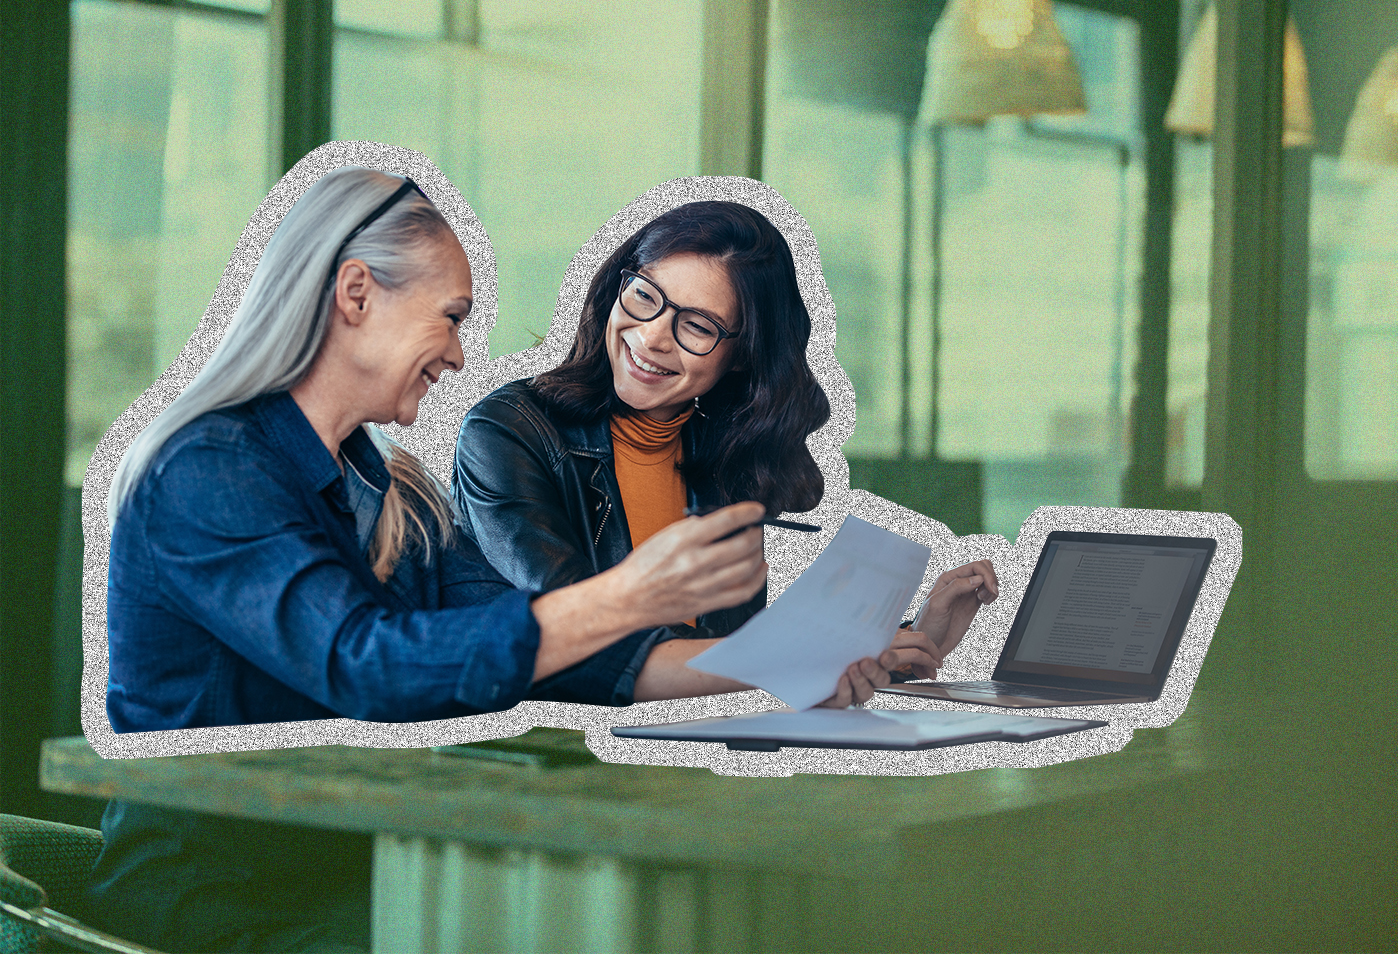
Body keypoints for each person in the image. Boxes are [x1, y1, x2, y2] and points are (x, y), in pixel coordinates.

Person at [90, 169, 940, 952]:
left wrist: (794, 666)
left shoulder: (391, 488)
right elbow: (366, 664)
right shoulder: (207, 469)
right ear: (356, 293)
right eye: (451, 317)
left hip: (359, 879)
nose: (461, 352)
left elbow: (544, 653)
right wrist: (629, 594)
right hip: (216, 906)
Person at [452, 199, 999, 694]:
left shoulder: (725, 455)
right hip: (553, 757)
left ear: (740, 357)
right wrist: (801, 659)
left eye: (698, 325)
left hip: (688, 755)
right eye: (645, 295)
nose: (652, 336)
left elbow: (736, 652)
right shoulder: (508, 431)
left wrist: (913, 638)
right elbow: (576, 634)